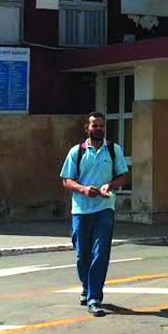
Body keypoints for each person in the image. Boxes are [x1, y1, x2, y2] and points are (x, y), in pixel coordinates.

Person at [60, 111, 128, 317]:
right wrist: (83, 189)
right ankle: (86, 286)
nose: (98, 129)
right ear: (87, 129)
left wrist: (110, 184)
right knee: (82, 253)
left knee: (101, 252)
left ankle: (94, 297)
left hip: (104, 208)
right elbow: (66, 180)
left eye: (101, 126)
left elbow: (122, 176)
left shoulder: (113, 150)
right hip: (81, 210)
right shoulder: (77, 152)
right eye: (94, 126)